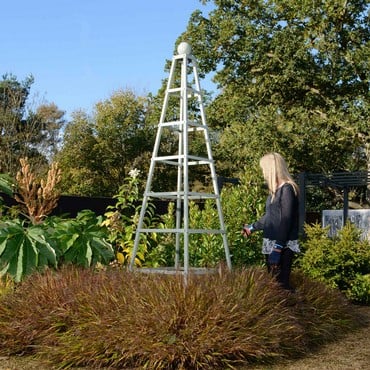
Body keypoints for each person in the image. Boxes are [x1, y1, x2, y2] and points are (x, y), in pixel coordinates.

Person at [242, 152, 300, 291]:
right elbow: (270, 217)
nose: (263, 173)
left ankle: (292, 311)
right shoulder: (275, 191)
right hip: (272, 243)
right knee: (274, 284)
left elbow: (286, 219)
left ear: (272, 168)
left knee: (281, 286)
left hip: (282, 245)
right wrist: (252, 227)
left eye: (264, 169)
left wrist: (278, 247)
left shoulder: (287, 189)